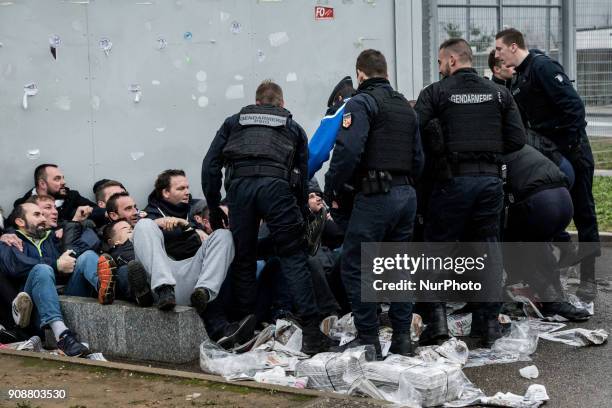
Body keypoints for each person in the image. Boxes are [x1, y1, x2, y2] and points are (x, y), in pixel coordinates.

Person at [202, 79, 328, 355]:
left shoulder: (233, 122)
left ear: (256, 102)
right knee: (293, 258)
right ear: (281, 104)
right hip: (277, 188)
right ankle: (311, 334)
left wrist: (213, 206)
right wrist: (299, 212)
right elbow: (300, 176)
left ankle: (248, 323)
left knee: (244, 258)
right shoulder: (292, 127)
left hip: (240, 189)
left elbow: (210, 165)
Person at [415, 38, 525, 347]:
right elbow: (517, 139)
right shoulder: (499, 93)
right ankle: (488, 324)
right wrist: (487, 152)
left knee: (436, 250)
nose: (439, 69)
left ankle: (436, 323)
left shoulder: (435, 93)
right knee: (488, 250)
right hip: (490, 183)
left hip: (452, 182)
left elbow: (416, 133)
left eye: (439, 62)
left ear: (451, 61)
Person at [325, 49, 423, 358]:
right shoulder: (406, 108)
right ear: (387, 73)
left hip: (376, 195)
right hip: (406, 195)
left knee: (356, 264)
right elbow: (419, 158)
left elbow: (348, 152)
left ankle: (368, 338)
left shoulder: (361, 102)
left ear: (360, 75)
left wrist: (332, 189)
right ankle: (403, 339)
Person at [495, 28, 600, 301]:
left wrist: (563, 144)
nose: (496, 55)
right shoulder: (519, 79)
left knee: (583, 211)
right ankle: (559, 256)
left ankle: (588, 278)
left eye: (499, 49)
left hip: (571, 152)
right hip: (550, 157)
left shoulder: (542, 67)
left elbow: (574, 109)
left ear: (514, 46)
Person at [0, 203, 116, 356]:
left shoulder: (53, 237)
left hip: (64, 294)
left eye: (43, 214)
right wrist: (56, 264)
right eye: (37, 215)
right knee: (42, 269)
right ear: (20, 222)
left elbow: (85, 244)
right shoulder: (10, 241)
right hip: (31, 307)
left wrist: (73, 226)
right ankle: (63, 336)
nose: (43, 218)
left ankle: (104, 288)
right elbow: (14, 267)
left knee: (87, 256)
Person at [12, 164, 104, 226]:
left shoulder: (71, 196)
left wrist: (87, 211)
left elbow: (98, 210)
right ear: (42, 184)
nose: (64, 182)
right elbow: (11, 227)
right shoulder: (22, 204)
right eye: (57, 179)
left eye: (63, 178)